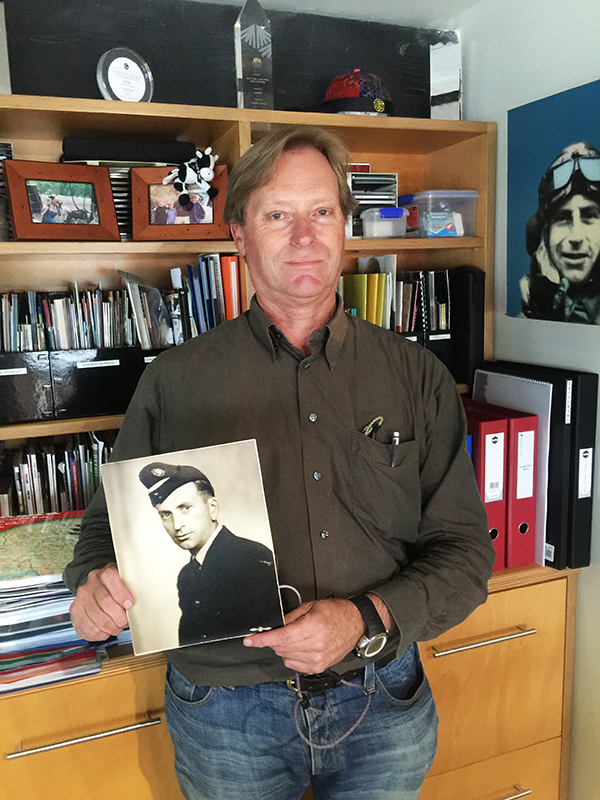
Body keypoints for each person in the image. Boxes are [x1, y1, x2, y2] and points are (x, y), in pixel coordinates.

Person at [65, 125, 494, 800]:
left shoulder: (418, 376)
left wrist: (364, 619)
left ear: (345, 227)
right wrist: (91, 586)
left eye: (322, 212)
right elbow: (102, 533)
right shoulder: (176, 382)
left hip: (381, 697)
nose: (305, 237)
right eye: (277, 216)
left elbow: (466, 554)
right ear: (239, 237)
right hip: (224, 713)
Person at [137, 461, 283, 645]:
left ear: (212, 508)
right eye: (166, 514)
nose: (177, 525)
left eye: (185, 508)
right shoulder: (187, 575)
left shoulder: (252, 557)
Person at [520, 141, 600, 323]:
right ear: (544, 235)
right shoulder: (530, 312)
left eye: (589, 217)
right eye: (563, 219)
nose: (576, 237)